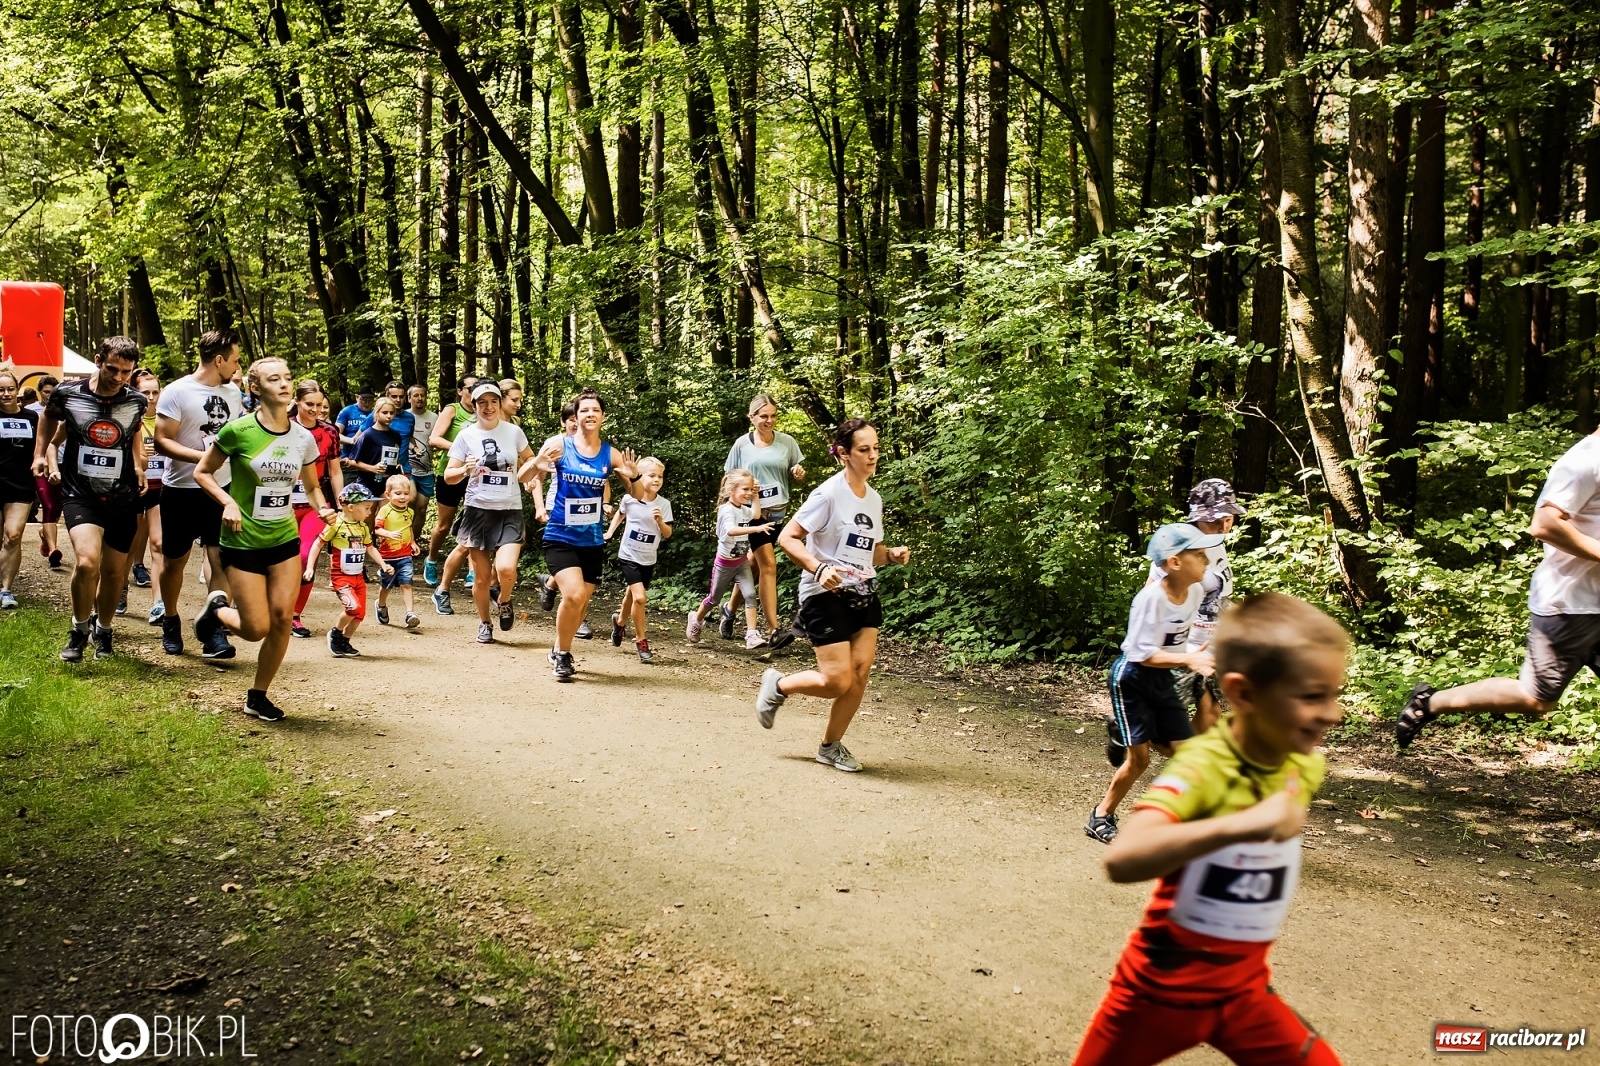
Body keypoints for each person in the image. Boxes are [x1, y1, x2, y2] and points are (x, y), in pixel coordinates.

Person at [1070, 592, 1346, 1066]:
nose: (1333, 713)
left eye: (1335, 694)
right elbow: (1122, 859)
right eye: (1312, 696)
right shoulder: (1202, 767)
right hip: (1157, 994)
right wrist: (1243, 825)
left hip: (1245, 997)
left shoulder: (1304, 764)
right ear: (1243, 693)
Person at [1395, 422, 1600, 748]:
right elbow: (1544, 524)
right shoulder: (1587, 460)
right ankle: (1429, 702)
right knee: (1535, 699)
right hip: (1571, 604)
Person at [753, 419, 911, 772]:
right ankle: (779, 684)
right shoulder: (827, 494)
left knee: (860, 671)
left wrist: (890, 555)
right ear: (843, 454)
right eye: (863, 450)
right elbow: (788, 538)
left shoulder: (873, 498)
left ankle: (830, 746)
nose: (873, 456)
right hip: (823, 593)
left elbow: (869, 550)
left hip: (863, 590)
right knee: (837, 680)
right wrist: (819, 568)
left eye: (876, 448)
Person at [191, 358, 332, 722]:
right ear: (255, 388)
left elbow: (312, 488)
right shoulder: (237, 431)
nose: (285, 384)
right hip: (242, 540)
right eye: (274, 379)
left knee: (283, 618)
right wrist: (227, 502)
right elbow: (202, 472)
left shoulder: (303, 438)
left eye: (287, 377)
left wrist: (324, 508)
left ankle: (258, 695)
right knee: (256, 629)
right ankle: (217, 611)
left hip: (283, 538)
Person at [1086, 523, 1223, 844]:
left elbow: (1183, 637)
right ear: (1175, 562)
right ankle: (1101, 816)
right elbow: (1141, 654)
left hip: (1164, 678)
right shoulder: (1150, 599)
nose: (1206, 560)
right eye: (1199, 554)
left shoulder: (1198, 590)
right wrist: (1188, 660)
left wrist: (1198, 656)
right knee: (1141, 760)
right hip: (1132, 681)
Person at [32, 336, 148, 662]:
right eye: (113, 368)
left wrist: (139, 466)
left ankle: (104, 629)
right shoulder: (68, 394)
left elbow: (135, 431)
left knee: (114, 574)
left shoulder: (136, 400)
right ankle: (79, 629)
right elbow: (48, 419)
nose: (119, 377)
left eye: (127, 371)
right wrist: (41, 454)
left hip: (123, 496)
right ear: (98, 360)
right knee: (86, 562)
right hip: (80, 492)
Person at [1116, 478, 1245, 761]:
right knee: (1165, 722)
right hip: (1181, 648)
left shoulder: (1217, 544)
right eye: (1219, 518)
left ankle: (1189, 768)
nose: (1225, 524)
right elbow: (1152, 595)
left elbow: (1219, 597)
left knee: (1210, 712)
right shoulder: (1180, 546)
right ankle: (1125, 730)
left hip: (1208, 647)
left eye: (1228, 516)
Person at [530, 388, 643, 680]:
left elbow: (638, 495)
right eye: (584, 410)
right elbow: (527, 477)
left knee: (581, 602)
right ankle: (565, 655)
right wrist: (536, 466)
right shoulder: (560, 445)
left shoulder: (610, 453)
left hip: (591, 539)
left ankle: (557, 648)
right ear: (575, 417)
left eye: (595, 410)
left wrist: (635, 476)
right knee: (574, 594)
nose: (590, 414)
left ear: (603, 416)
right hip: (560, 535)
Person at [154, 328, 244, 658]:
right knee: (174, 562)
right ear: (218, 360)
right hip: (181, 489)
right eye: (234, 360)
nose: (237, 366)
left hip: (222, 490)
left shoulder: (233, 393)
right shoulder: (177, 391)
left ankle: (214, 631)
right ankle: (171, 618)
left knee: (221, 560)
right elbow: (163, 439)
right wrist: (202, 458)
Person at [443, 382, 536, 643]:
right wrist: (464, 470)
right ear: (474, 406)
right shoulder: (465, 435)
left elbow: (530, 458)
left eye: (493, 401)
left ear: (499, 403)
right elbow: (449, 476)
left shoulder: (513, 432)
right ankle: (485, 623)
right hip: (477, 510)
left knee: (506, 568)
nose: (488, 407)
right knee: (482, 578)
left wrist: (530, 475)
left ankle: (504, 600)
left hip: (509, 509)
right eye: (482, 402)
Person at [721, 394, 805, 648]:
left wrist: (798, 472)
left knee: (752, 567)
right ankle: (774, 629)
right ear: (752, 417)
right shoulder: (741, 445)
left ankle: (728, 609)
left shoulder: (787, 443)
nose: (769, 420)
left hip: (777, 513)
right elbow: (729, 479)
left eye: (773, 416)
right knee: (769, 564)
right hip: (751, 516)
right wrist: (729, 505)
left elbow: (797, 471)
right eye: (764, 416)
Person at [685, 469, 768, 648]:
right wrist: (756, 529)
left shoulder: (743, 510)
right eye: (744, 489)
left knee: (750, 595)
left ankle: (752, 635)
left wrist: (756, 496)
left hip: (742, 562)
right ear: (732, 491)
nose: (747, 493)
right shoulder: (726, 510)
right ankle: (696, 619)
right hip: (724, 564)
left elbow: (756, 515)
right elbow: (731, 530)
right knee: (713, 599)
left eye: (750, 489)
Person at [288, 383, 344, 638]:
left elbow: (334, 471)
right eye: (309, 404)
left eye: (319, 405)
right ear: (297, 402)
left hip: (315, 504)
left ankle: (294, 615)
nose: (315, 409)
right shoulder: (283, 426)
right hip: (283, 502)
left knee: (305, 555)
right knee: (279, 558)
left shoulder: (329, 433)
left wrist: (341, 506)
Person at [305, 483, 386, 657]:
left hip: (358, 577)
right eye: (366, 508)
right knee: (353, 608)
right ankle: (335, 633)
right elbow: (317, 544)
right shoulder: (335, 525)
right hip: (340, 576)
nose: (369, 512)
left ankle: (345, 642)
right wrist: (310, 567)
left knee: (360, 613)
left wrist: (383, 564)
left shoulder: (363, 527)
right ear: (351, 507)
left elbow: (370, 547)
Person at [606, 456, 672, 662]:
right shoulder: (629, 499)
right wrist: (609, 533)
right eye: (651, 475)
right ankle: (641, 640)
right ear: (639, 477)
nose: (656, 480)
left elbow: (668, 533)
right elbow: (620, 514)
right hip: (628, 555)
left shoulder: (664, 504)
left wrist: (660, 521)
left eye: (659, 476)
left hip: (648, 558)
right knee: (640, 598)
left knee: (632, 595)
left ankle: (619, 622)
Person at [423, 375, 480, 589]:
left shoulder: (485, 411)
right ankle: (432, 560)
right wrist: (460, 449)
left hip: (476, 473)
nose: (473, 391)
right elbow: (434, 438)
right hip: (451, 471)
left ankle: (472, 572)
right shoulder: (453, 410)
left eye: (477, 387)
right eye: (469, 387)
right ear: (460, 391)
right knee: (444, 524)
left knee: (474, 520)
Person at [0, 370, 39, 609]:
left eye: (10, 389)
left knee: (13, 535)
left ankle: (6, 590)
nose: (6, 394)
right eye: (1, 390)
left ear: (18, 391)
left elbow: (41, 447)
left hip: (20, 484)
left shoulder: (32, 418)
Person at [375, 473, 420, 629]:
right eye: (398, 493)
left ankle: (410, 613)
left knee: (406, 583)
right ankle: (380, 605)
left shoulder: (409, 512)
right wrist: (389, 534)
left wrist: (412, 542)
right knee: (386, 586)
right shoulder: (384, 511)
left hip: (405, 555)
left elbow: (409, 528)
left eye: (406, 494)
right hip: (387, 556)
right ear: (388, 494)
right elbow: (377, 530)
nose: (403, 497)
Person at [28, 374, 62, 569]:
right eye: (46, 392)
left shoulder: (65, 409)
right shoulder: (31, 412)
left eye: (53, 392)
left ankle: (45, 534)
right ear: (40, 392)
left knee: (57, 507)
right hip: (42, 466)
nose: (49, 396)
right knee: (48, 505)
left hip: (63, 463)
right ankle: (53, 549)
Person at [349, 396, 404, 496]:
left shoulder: (396, 436)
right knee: (370, 511)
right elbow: (352, 462)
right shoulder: (367, 435)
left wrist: (396, 465)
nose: (389, 416)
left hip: (388, 484)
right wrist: (372, 468)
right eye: (385, 412)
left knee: (386, 511)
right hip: (367, 483)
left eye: (392, 413)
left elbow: (394, 458)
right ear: (376, 413)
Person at [406, 384, 437, 545]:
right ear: (409, 398)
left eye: (422, 395)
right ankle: (404, 541)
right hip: (407, 467)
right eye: (416, 395)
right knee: (409, 502)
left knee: (422, 508)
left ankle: (414, 541)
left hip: (426, 469)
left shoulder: (434, 418)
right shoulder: (403, 416)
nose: (419, 398)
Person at [335, 387, 374, 459]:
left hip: (369, 458)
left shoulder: (375, 414)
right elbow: (335, 435)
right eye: (364, 400)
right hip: (349, 456)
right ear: (357, 397)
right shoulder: (347, 411)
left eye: (370, 401)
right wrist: (351, 440)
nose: (367, 404)